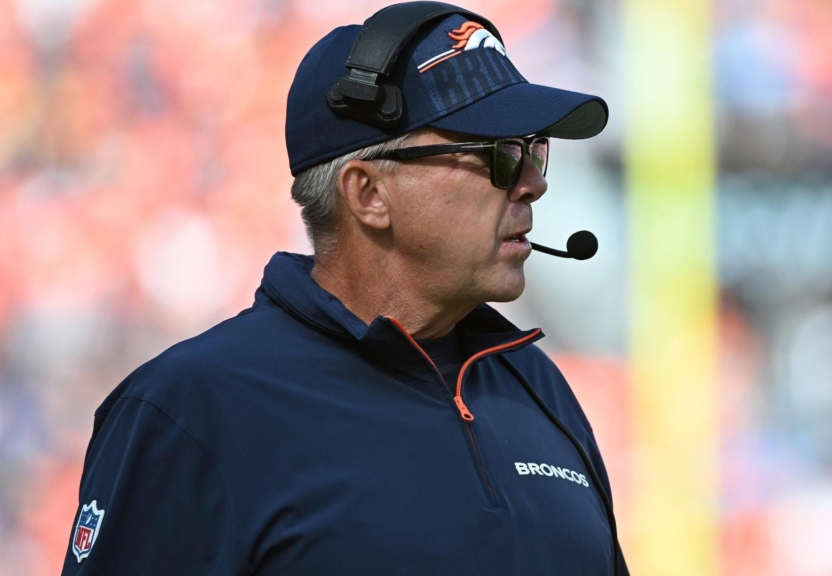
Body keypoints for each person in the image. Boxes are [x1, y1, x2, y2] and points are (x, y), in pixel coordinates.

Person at [62, 3, 625, 574]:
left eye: (533, 150)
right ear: (369, 195)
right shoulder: (192, 408)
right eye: (497, 154)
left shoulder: (536, 386)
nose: (535, 182)